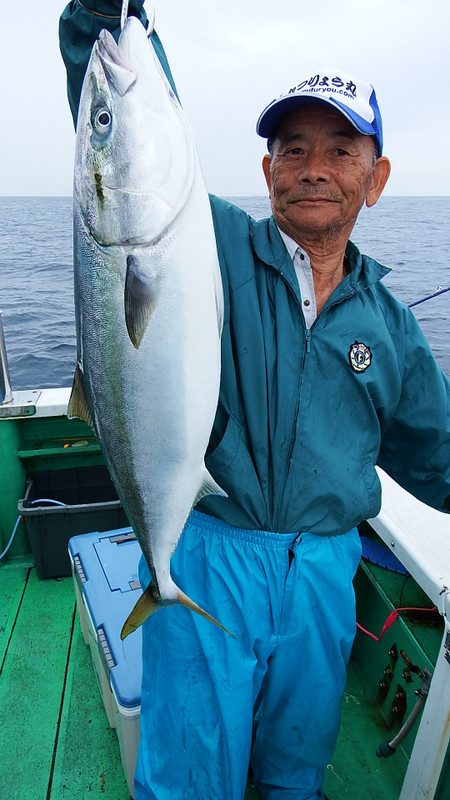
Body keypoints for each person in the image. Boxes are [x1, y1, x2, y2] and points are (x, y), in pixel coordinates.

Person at [59, 3, 450, 799]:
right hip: (210, 551)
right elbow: (129, 161)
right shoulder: (212, 247)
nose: (314, 166)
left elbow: (436, 453)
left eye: (341, 150)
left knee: (293, 772)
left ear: (375, 181)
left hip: (323, 574)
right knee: (190, 776)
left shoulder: (393, 328)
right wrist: (102, 19)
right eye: (293, 149)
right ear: (267, 171)